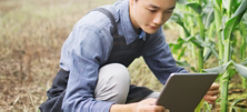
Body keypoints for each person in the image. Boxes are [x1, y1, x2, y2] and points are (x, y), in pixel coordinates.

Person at [39, 0, 219, 111]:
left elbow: (169, 72)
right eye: (152, 9)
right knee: (117, 74)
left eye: (168, 12)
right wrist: (131, 109)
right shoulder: (95, 29)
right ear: (133, 1)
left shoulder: (149, 28)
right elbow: (73, 103)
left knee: (164, 106)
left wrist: (194, 88)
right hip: (66, 101)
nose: (159, 19)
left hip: (106, 93)